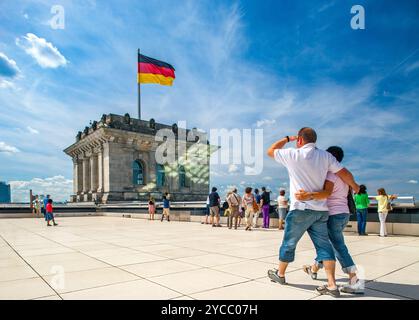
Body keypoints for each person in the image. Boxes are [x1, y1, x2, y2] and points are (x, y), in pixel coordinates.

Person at [266, 127, 359, 298]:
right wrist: (355, 187)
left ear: (299, 140)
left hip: (301, 209)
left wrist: (288, 138)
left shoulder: (293, 154)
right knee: (324, 247)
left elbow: (270, 151)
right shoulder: (326, 156)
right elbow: (345, 173)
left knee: (289, 242)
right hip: (321, 211)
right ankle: (331, 284)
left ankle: (280, 274)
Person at [296, 146, 363, 294]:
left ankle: (355, 281)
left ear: (330, 158)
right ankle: (313, 268)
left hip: (333, 214)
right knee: (328, 245)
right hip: (344, 213)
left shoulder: (331, 174)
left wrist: (308, 195)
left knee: (338, 246)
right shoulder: (345, 176)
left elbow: (326, 193)